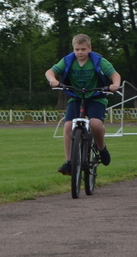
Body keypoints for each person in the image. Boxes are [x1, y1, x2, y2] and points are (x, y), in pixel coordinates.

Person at [45, 34, 121, 175]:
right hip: (76, 97)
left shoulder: (98, 60)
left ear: (90, 49)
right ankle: (69, 162)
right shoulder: (68, 60)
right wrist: (52, 80)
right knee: (68, 125)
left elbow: (115, 75)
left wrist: (115, 85)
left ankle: (101, 147)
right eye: (77, 49)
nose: (80, 52)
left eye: (83, 49)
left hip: (96, 96)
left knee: (96, 124)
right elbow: (50, 72)